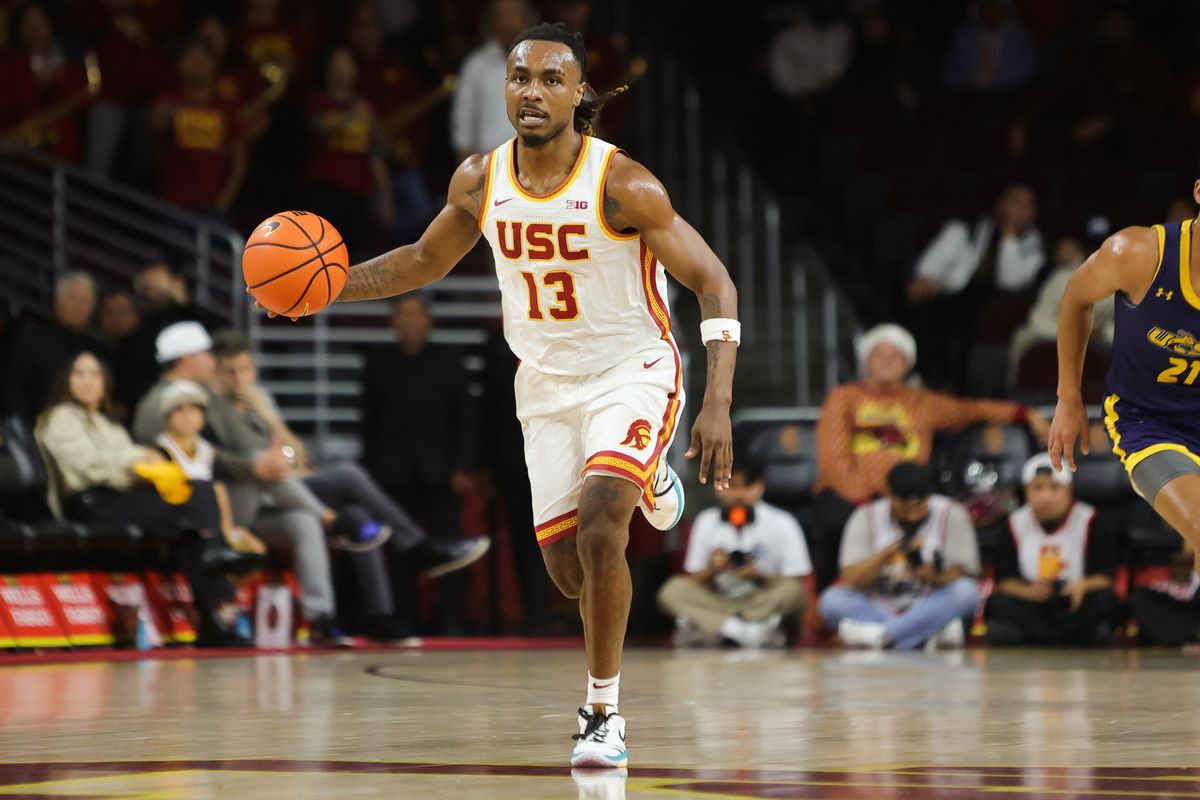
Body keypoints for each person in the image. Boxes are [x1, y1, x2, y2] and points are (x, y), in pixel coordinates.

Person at [268, 21, 740, 768]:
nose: (532, 91)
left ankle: (602, 714)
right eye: (521, 77)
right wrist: (326, 288)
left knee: (601, 525)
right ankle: (651, 474)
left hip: (631, 370)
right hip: (545, 386)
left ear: (580, 93)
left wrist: (715, 403)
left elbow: (714, 281)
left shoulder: (625, 184)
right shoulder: (479, 180)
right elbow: (423, 261)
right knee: (567, 575)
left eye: (552, 79)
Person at [210, 327, 492, 636]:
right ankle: (415, 545)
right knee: (348, 476)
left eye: (246, 369)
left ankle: (371, 616)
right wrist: (278, 458)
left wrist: (270, 418)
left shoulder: (259, 399)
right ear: (216, 372)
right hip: (247, 503)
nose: (240, 380)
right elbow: (244, 464)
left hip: (288, 496)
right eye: (231, 372)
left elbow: (298, 455)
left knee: (359, 521)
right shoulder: (214, 410)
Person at [132, 322, 380, 647]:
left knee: (301, 521)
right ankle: (330, 518)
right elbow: (207, 460)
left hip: (238, 498)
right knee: (256, 472)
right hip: (200, 506)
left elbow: (248, 442)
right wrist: (255, 465)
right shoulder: (157, 406)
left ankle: (322, 618)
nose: (212, 361)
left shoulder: (205, 396)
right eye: (207, 354)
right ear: (187, 358)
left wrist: (269, 454)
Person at [810, 322, 1048, 591]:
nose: (887, 361)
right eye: (880, 355)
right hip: (850, 496)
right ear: (867, 361)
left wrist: (1023, 413)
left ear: (907, 363)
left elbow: (969, 410)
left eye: (895, 356)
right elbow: (833, 456)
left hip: (910, 496)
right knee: (833, 518)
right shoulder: (844, 397)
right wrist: (866, 500)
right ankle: (826, 603)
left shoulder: (922, 402)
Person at [35, 352, 250, 646]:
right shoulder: (59, 418)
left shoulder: (108, 424)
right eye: (79, 373)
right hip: (89, 501)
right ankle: (218, 557)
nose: (87, 381)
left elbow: (126, 471)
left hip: (118, 496)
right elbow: (87, 466)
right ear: (65, 380)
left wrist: (150, 469)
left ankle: (215, 619)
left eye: (94, 374)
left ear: (104, 383)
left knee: (196, 498)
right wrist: (137, 458)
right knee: (193, 517)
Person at [1049, 188, 1200, 598]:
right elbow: (1077, 299)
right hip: (1150, 424)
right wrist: (1069, 396)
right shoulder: (1135, 252)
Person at [819, 462, 981, 651]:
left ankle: (882, 636)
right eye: (905, 507)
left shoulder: (951, 513)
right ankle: (924, 636)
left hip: (929, 604)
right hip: (879, 604)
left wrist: (935, 576)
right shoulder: (865, 516)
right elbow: (850, 579)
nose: (912, 516)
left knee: (967, 593)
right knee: (831, 601)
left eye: (920, 505)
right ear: (890, 496)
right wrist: (883, 558)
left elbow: (966, 573)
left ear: (929, 497)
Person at [657, 460, 810, 648]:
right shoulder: (706, 521)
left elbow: (796, 580)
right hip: (718, 599)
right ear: (718, 488)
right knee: (672, 590)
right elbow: (693, 578)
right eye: (731, 487)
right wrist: (712, 570)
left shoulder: (782, 522)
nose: (738, 494)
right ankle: (743, 629)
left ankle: (718, 627)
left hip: (761, 599)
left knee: (793, 590)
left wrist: (758, 575)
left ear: (759, 487)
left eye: (746, 487)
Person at [906, 184, 1044, 389]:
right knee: (922, 304)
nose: (1020, 210)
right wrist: (926, 276)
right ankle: (922, 378)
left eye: (1028, 205)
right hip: (955, 297)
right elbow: (933, 263)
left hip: (996, 309)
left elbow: (1009, 280)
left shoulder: (1034, 246)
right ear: (1000, 205)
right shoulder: (968, 227)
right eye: (1015, 202)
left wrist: (1009, 235)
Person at [984, 454, 1118, 645]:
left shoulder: (1090, 520)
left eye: (1054, 487)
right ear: (1026, 492)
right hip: (1032, 601)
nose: (1045, 497)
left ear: (1069, 491)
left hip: (1074, 601)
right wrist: (1028, 591)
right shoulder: (1014, 524)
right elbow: (1003, 581)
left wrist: (1082, 586)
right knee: (997, 603)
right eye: (1037, 488)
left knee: (1106, 600)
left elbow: (1106, 578)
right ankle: (1069, 638)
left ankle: (1038, 638)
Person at [155, 379, 266, 557]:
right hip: (183, 525)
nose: (187, 416)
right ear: (167, 417)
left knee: (257, 549)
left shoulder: (207, 451)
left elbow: (226, 477)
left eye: (193, 409)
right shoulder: (161, 450)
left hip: (216, 523)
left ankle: (222, 539)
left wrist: (228, 529)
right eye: (179, 410)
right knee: (209, 489)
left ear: (203, 417)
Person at [304, 46, 393, 253]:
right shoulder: (319, 100)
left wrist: (386, 197)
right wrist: (352, 115)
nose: (341, 69)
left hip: (359, 191)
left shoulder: (365, 106)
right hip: (326, 188)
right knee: (323, 252)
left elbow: (379, 152)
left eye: (346, 63)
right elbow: (318, 127)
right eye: (336, 64)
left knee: (357, 253)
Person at [149, 37, 247, 219]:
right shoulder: (169, 99)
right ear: (178, 64)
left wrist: (224, 200)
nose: (198, 63)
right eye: (191, 57)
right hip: (174, 201)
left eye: (204, 59)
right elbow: (154, 128)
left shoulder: (226, 107)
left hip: (213, 204)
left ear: (216, 66)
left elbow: (239, 159)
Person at [1008, 236, 1114, 385]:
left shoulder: (1123, 281)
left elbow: (1130, 326)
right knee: (1022, 337)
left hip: (1100, 340)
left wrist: (1104, 333)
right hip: (1058, 332)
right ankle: (1018, 394)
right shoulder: (1060, 278)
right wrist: (1074, 333)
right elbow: (1038, 319)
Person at [5, 271, 100, 424]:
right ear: (57, 301)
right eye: (74, 298)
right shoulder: (32, 338)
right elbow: (14, 390)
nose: (80, 306)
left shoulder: (94, 349)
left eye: (86, 301)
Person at [450, 0, 537, 163]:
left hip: (539, 163)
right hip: (489, 164)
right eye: (502, 14)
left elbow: (582, 109)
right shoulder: (476, 65)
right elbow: (463, 123)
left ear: (526, 19)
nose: (508, 21)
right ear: (492, 21)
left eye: (513, 13)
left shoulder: (545, 61)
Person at [941, 0, 1037, 92]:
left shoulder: (1019, 37)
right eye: (985, 7)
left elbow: (1026, 71)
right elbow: (949, 71)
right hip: (968, 97)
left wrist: (991, 84)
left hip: (1007, 95)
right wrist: (963, 84)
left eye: (996, 7)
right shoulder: (964, 36)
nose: (990, 12)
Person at [1129, 545, 1200, 646]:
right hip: (1184, 606)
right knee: (1138, 597)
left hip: (1194, 610)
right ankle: (1188, 636)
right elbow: (1180, 582)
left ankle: (1187, 636)